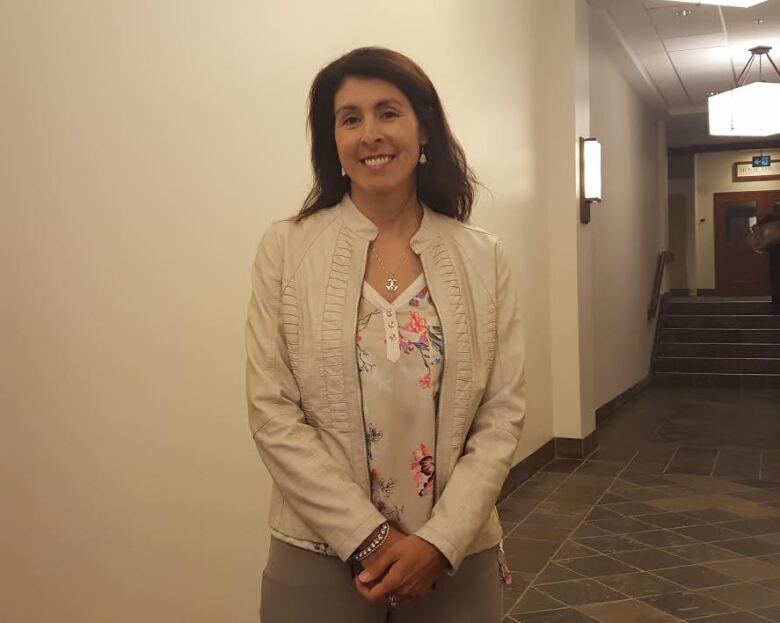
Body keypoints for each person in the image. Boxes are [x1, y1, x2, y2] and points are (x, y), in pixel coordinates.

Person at [245, 47, 526, 623]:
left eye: (388, 112)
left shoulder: (483, 257)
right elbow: (271, 411)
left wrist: (437, 542)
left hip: (455, 558)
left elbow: (500, 416)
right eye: (350, 119)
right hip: (318, 556)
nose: (370, 133)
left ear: (424, 129)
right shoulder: (287, 249)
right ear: (334, 143)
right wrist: (367, 537)